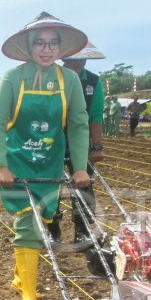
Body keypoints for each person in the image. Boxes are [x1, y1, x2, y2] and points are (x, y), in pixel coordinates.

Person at [0, 12, 92, 300]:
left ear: (61, 48)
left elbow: (77, 124)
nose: (46, 50)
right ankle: (29, 296)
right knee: (27, 223)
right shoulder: (13, 78)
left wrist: (79, 166)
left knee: (42, 220)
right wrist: (0, 164)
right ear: (29, 47)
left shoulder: (69, 80)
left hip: (48, 163)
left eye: (52, 44)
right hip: (16, 161)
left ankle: (21, 278)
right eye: (40, 44)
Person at [52, 44, 106, 243]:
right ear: (64, 59)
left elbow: (95, 115)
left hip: (80, 141)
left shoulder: (93, 81)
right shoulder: (53, 77)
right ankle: (51, 226)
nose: (78, 63)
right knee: (51, 184)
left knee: (83, 183)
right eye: (72, 59)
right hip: (53, 139)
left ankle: (82, 230)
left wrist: (97, 146)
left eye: (81, 59)